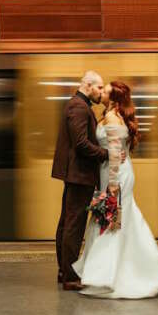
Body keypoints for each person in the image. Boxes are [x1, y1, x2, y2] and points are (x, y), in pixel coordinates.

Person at [72, 80, 158, 299]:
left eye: (106, 91)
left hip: (115, 175)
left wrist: (113, 189)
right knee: (120, 221)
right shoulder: (114, 116)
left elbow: (115, 155)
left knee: (111, 221)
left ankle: (106, 276)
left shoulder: (111, 118)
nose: (102, 93)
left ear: (114, 99)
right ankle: (115, 271)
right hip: (115, 172)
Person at [52, 71, 113, 290]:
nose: (101, 92)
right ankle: (70, 277)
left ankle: (64, 271)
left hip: (75, 174)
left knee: (67, 223)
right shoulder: (79, 107)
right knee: (73, 226)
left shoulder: (76, 105)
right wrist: (106, 154)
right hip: (80, 174)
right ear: (88, 85)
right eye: (99, 88)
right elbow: (81, 143)